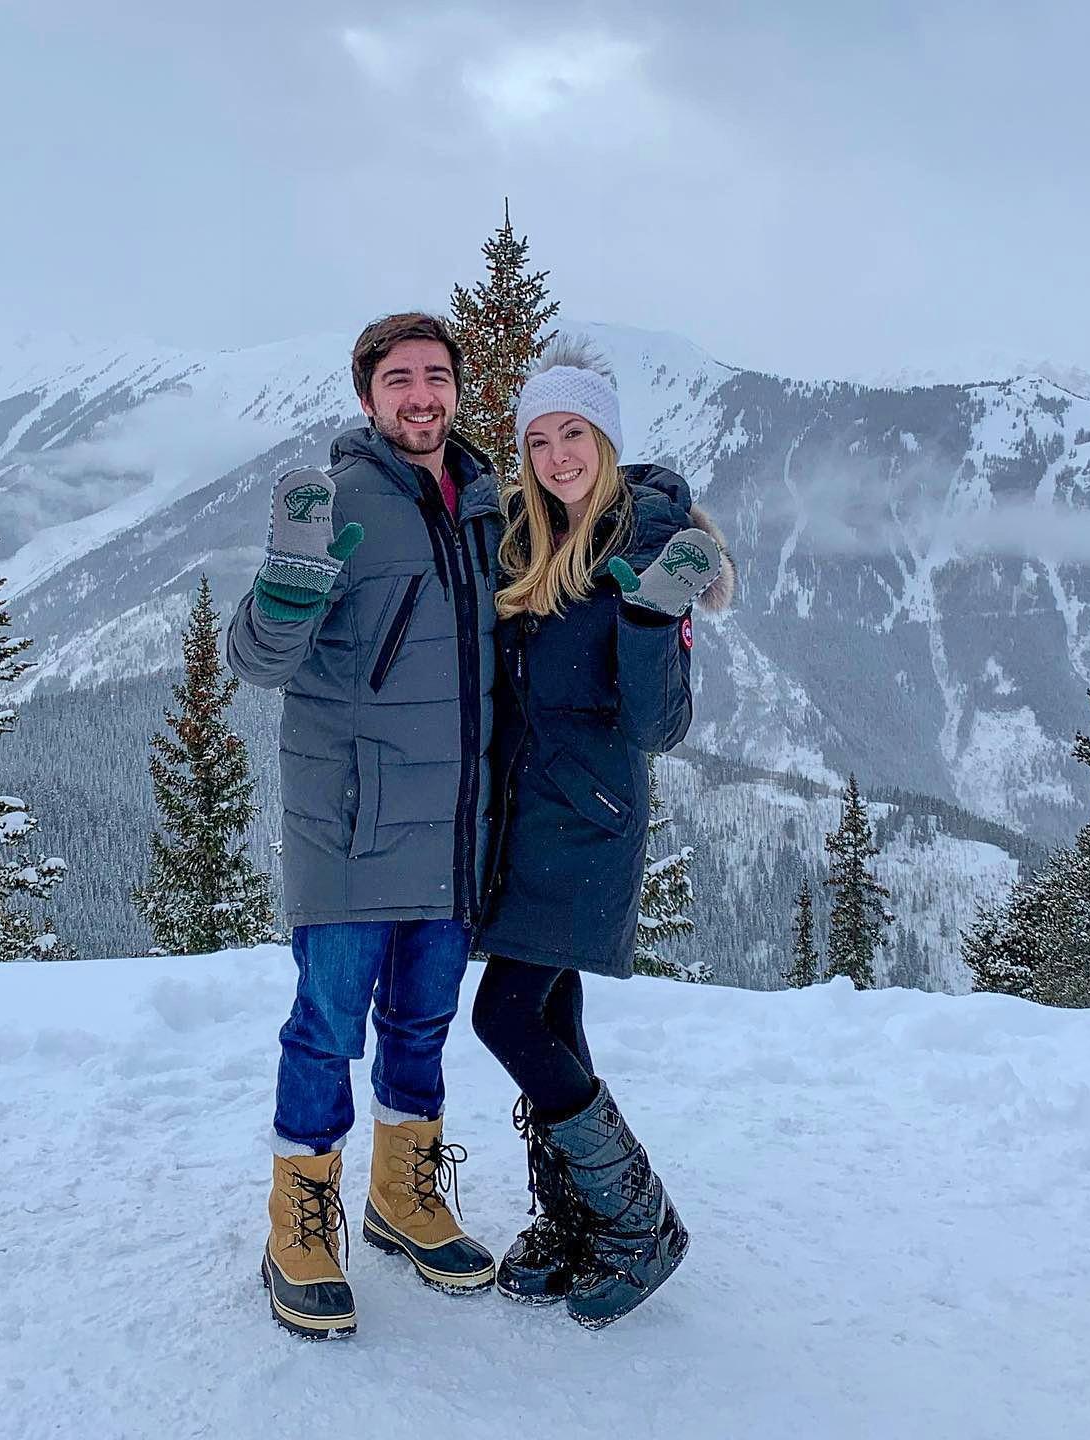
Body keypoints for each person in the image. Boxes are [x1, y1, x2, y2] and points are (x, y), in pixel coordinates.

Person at [226, 313, 501, 1340]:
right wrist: (287, 588)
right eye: (400, 380)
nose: (421, 395)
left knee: (424, 1026)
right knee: (328, 1027)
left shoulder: (486, 505)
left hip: (451, 828)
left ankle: (402, 1196)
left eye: (437, 377)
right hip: (351, 822)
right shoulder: (336, 500)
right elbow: (256, 660)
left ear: (458, 390)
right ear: (368, 398)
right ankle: (298, 1219)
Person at [471, 337, 734, 1329]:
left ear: (606, 440)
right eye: (538, 439)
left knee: (502, 1015)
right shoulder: (533, 541)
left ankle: (638, 1224)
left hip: (589, 822)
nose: (556, 455)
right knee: (552, 1015)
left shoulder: (653, 543)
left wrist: (646, 617)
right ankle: (575, 1214)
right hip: (525, 819)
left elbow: (656, 726)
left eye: (573, 434)